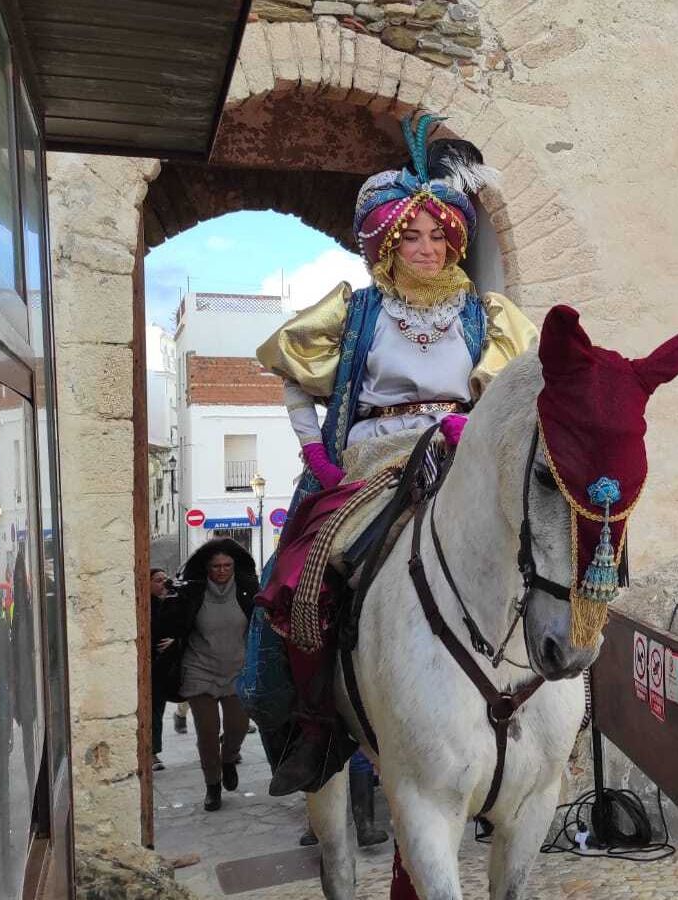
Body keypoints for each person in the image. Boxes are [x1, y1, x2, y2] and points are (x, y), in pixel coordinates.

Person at [253, 113, 535, 796]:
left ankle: (540, 695)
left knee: (533, 547)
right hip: (366, 463)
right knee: (297, 575)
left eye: (440, 235)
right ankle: (311, 723)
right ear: (385, 242)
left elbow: (510, 387)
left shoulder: (486, 314)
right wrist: (313, 453)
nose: (428, 247)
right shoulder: (357, 312)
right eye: (411, 236)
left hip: (456, 455)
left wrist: (478, 430)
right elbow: (290, 370)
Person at [171, 539, 259, 811]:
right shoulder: (192, 592)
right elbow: (175, 623)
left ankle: (229, 757)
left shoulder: (248, 591)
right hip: (200, 668)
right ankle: (212, 785)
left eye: (227, 565)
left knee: (238, 726)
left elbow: (260, 625)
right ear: (206, 568)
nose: (221, 570)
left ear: (235, 565)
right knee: (207, 733)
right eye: (215, 566)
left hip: (236, 669)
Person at [148, 567, 186, 770]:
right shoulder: (147, 607)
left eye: (165, 578)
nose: (163, 583)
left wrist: (175, 641)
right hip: (153, 665)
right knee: (154, 709)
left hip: (172, 665)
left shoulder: (173, 602)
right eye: (157, 580)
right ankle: (152, 752)